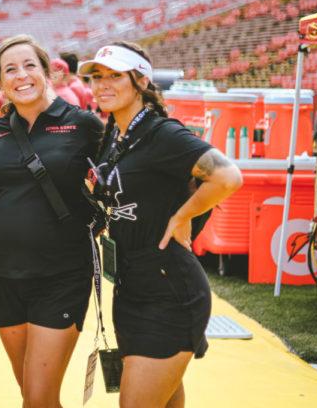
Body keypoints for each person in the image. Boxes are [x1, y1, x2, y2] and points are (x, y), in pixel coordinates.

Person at [78, 42, 242, 408]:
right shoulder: (115, 134)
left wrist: (182, 217)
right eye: (97, 76)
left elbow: (228, 177)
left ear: (140, 81)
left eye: (115, 76)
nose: (103, 84)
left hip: (168, 291)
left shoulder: (160, 133)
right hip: (129, 287)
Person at [0, 34, 104, 407]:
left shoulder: (84, 125)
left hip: (62, 275)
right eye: (10, 69)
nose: (21, 75)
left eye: (30, 65)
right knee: (31, 393)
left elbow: (126, 178)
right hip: (4, 275)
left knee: (39, 397)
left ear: (48, 73)